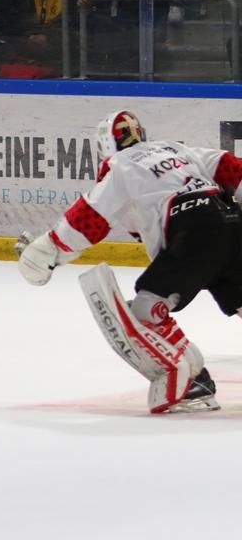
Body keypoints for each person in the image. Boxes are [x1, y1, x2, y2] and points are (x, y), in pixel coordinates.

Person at [17, 109, 242, 413]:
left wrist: (47, 250)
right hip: (232, 222)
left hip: (193, 231)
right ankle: (194, 376)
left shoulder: (120, 166)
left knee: (144, 311)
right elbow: (232, 168)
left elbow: (90, 216)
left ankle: (192, 382)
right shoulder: (176, 149)